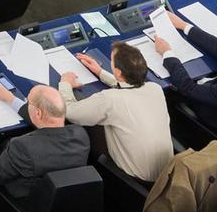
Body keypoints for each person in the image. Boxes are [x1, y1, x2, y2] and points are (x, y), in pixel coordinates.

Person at [62, 41, 172, 182]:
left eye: (112, 61)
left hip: (135, 178)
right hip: (166, 174)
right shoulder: (155, 88)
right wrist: (100, 72)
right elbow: (129, 87)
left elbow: (70, 113)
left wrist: (65, 83)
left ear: (118, 72)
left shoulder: (110, 99)